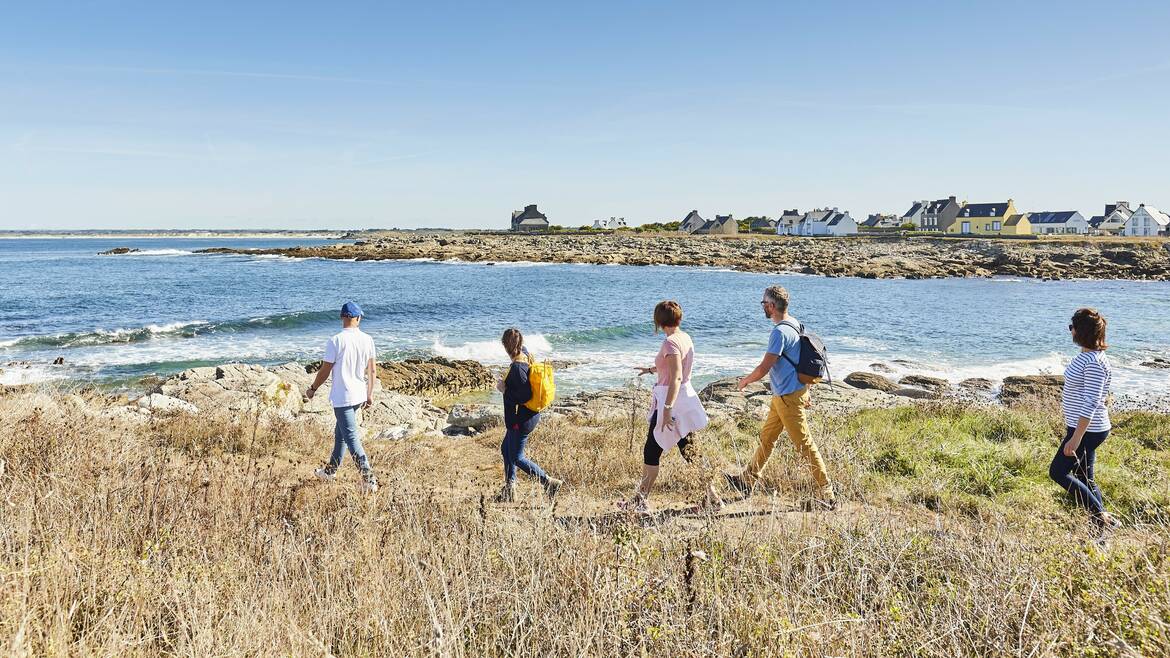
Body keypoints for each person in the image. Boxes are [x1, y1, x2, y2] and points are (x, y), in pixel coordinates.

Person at [725, 285, 836, 510]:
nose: (763, 307)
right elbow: (801, 358)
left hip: (787, 397)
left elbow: (765, 366)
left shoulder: (779, 332)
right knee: (767, 437)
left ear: (772, 306)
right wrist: (806, 390)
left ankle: (827, 494)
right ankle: (747, 480)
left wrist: (746, 380)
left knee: (804, 444)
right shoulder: (795, 323)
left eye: (764, 303)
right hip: (786, 394)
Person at [620, 300, 719, 513]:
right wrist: (651, 369)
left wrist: (666, 410)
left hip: (671, 401)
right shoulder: (684, 337)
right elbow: (673, 367)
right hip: (684, 398)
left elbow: (675, 377)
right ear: (679, 318)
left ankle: (640, 500)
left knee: (652, 450)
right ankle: (712, 498)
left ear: (658, 322)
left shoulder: (670, 343)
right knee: (690, 450)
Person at [1049, 308, 1120, 535]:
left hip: (1089, 429)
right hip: (1082, 427)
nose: (1070, 331)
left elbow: (1091, 402)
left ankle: (1102, 520)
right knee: (1085, 478)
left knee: (1058, 472)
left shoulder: (1095, 362)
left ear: (1081, 331)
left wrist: (1076, 438)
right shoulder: (1087, 355)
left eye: (1072, 327)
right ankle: (1101, 526)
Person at [307, 302, 379, 493]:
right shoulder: (367, 339)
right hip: (358, 395)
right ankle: (330, 472)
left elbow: (325, 370)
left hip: (343, 396)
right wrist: (369, 394)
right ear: (358, 318)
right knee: (341, 435)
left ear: (342, 318)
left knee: (351, 437)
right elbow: (372, 369)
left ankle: (368, 479)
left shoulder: (335, 340)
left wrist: (313, 388)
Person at [493, 328, 562, 503]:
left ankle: (548, 482)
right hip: (526, 415)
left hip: (521, 419)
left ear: (505, 346)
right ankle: (510, 489)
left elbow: (524, 396)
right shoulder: (525, 353)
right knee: (505, 449)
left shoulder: (517, 367)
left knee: (517, 457)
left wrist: (504, 389)